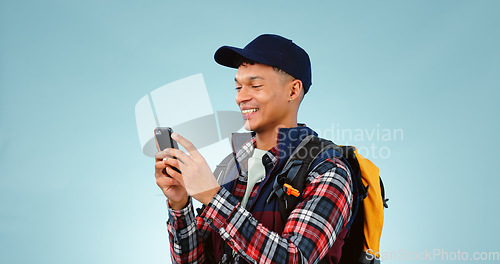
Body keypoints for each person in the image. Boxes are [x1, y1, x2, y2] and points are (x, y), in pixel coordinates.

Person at [154, 34, 353, 264]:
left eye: (255, 86)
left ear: (293, 91)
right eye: (238, 87)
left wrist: (212, 196)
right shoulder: (233, 165)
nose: (241, 97)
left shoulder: (328, 169)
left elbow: (295, 259)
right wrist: (181, 206)